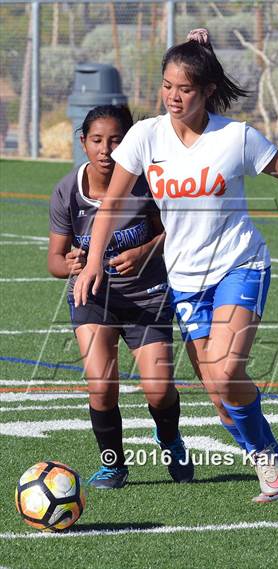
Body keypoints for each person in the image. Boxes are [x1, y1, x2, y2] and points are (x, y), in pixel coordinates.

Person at [73, 31, 278, 503]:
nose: (173, 97)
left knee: (226, 373)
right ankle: (274, 465)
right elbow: (113, 202)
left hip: (239, 265)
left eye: (184, 88)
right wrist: (91, 264)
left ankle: (271, 464)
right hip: (184, 281)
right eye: (166, 86)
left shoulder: (236, 138)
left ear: (206, 90)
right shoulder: (146, 136)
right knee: (224, 403)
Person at [48, 104, 193, 489]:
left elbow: (174, 232)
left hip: (147, 295)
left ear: (130, 143)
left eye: (116, 141)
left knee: (160, 391)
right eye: (96, 140)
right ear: (83, 142)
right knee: (101, 384)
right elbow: (54, 260)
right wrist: (72, 263)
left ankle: (170, 439)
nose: (105, 150)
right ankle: (113, 464)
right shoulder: (68, 190)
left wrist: (145, 251)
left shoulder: (148, 183)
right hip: (93, 297)